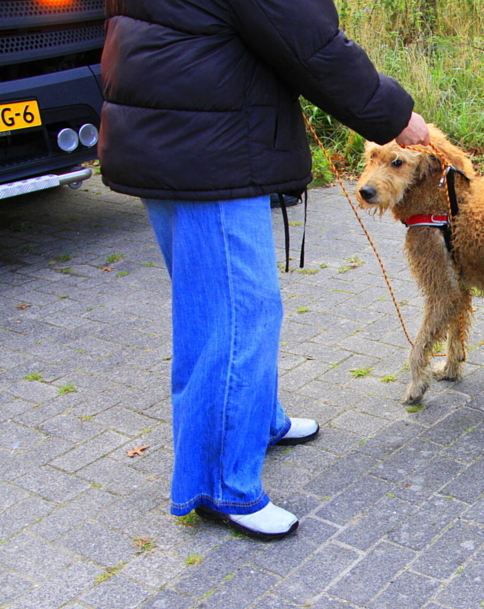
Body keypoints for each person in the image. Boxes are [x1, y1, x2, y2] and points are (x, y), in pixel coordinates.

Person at [98, 0, 430, 540]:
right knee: (235, 319)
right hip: (207, 149)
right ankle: (222, 486)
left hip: (166, 131)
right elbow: (307, 40)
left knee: (211, 307)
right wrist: (395, 115)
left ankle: (258, 422)